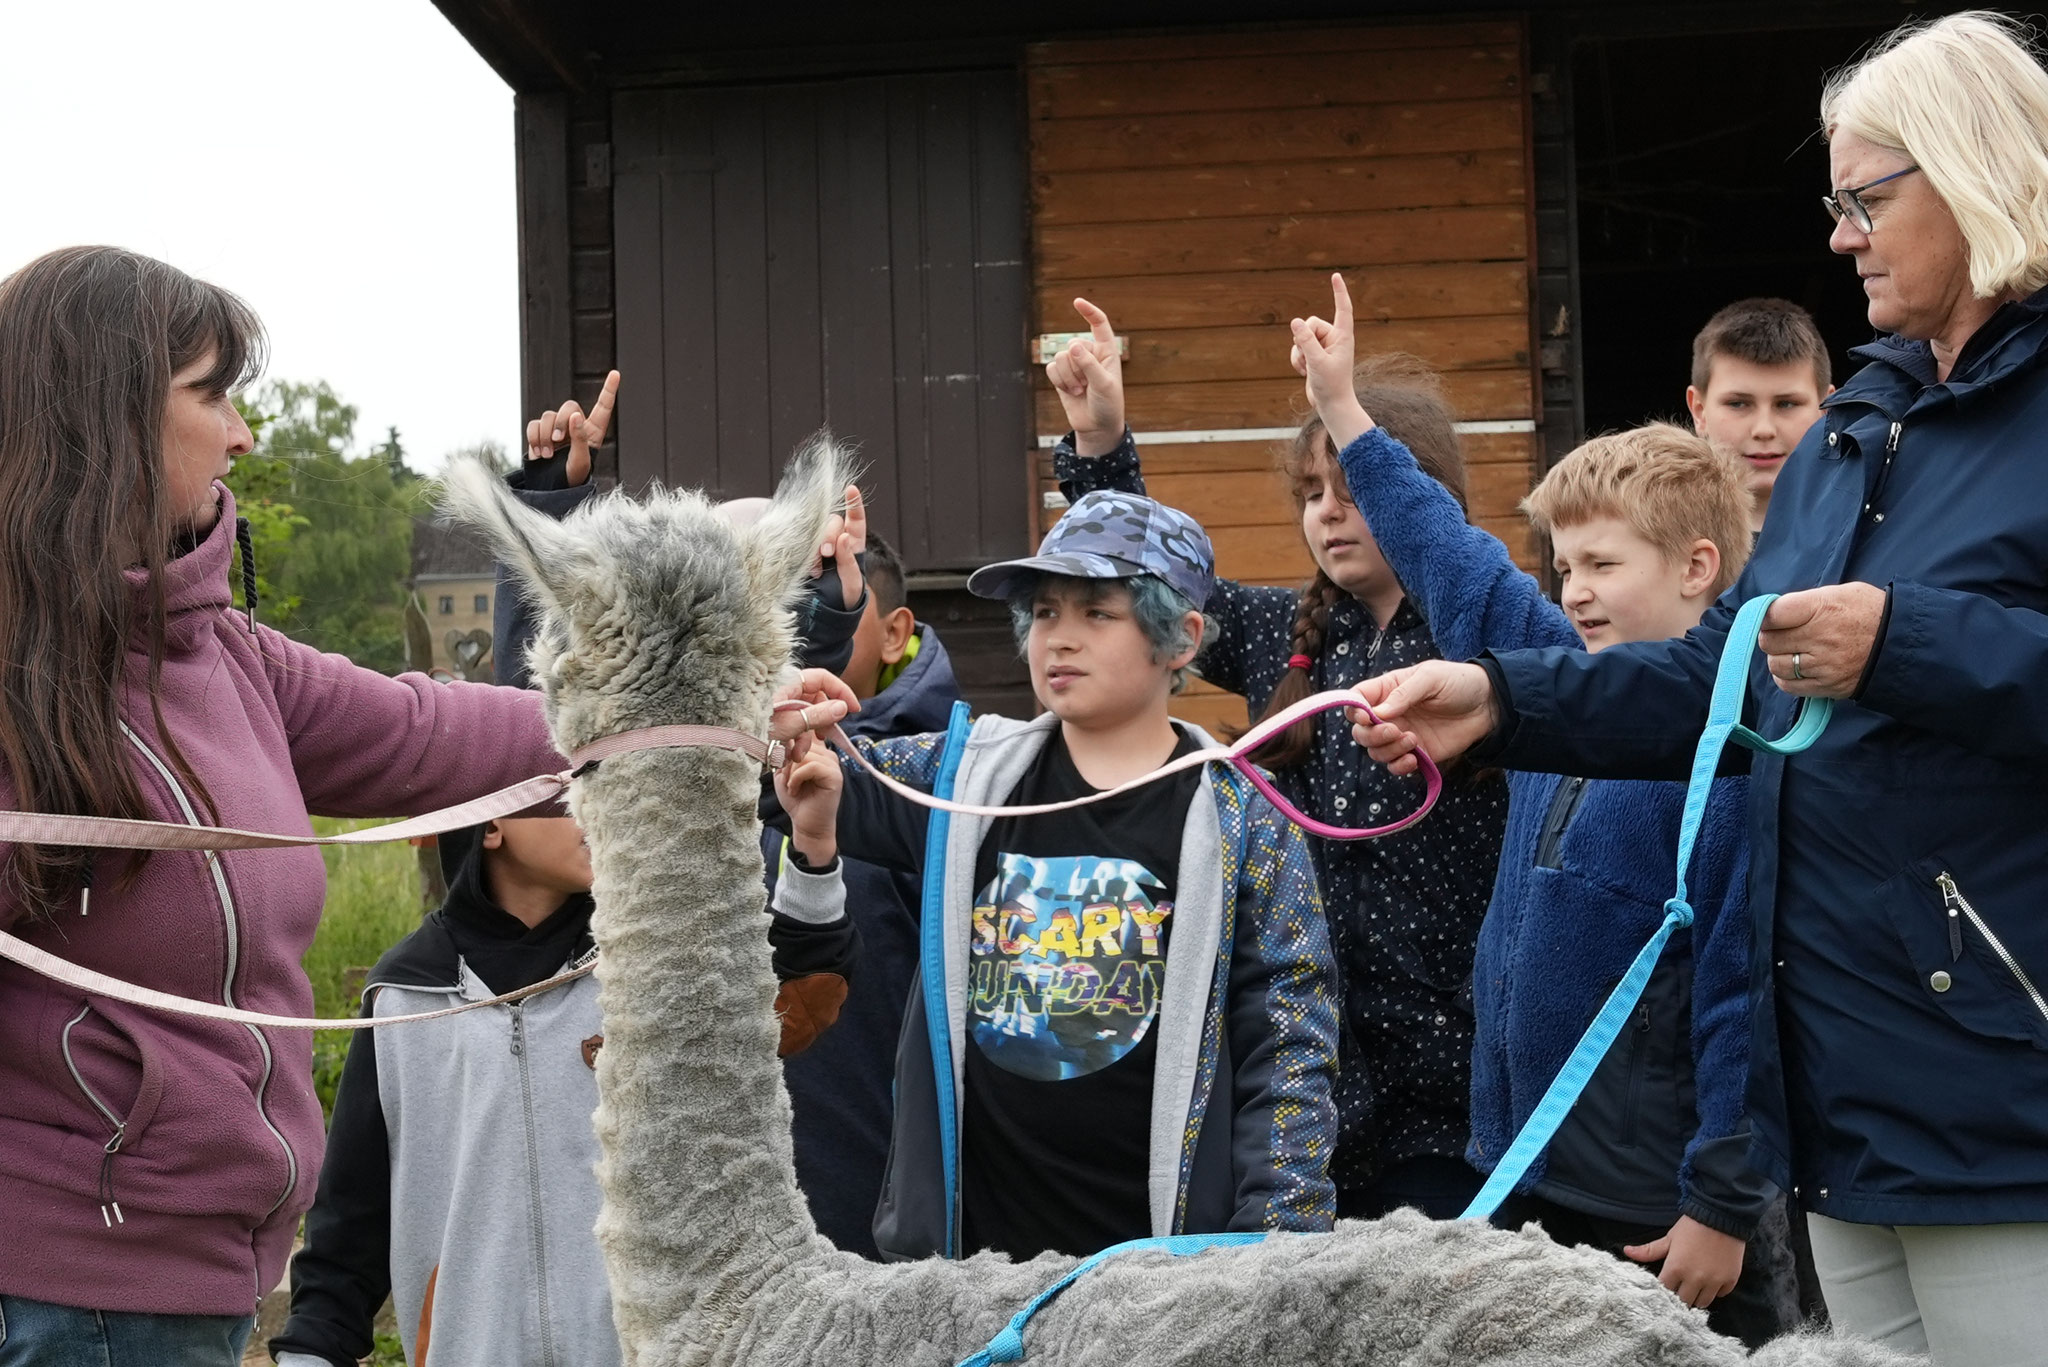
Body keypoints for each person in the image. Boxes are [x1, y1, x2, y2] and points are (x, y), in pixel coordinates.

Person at [1349, 13, 2048, 1363]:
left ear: (1973, 172)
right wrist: (1501, 699)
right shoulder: (1859, 434)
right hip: (1845, 1102)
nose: (1840, 233)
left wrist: (1901, 642)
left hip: (2003, 1096)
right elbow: (1715, 680)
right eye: (1834, 202)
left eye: (1864, 196)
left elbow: (1906, 660)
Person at [0, 246, 577, 1362]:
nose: (242, 431)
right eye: (211, 393)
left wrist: (705, 706)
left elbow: (435, 730)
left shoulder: (226, 655)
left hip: (197, 1283)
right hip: (62, 1292)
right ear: (102, 415)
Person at [1291, 281, 1780, 1336]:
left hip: (1657, 1211)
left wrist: (1721, 1201)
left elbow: (1742, 994)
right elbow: (1447, 554)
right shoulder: (1549, 675)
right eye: (1563, 568)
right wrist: (1343, 413)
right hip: (1521, 1171)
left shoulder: (1729, 754)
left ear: (1700, 569)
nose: (1574, 592)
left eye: (1602, 564)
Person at [770, 492, 1340, 1261]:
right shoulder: (958, 777)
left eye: (1097, 612)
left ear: (1181, 637)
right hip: (975, 1275)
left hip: (1165, 1282)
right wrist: (811, 653)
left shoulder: (1247, 822)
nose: (1059, 638)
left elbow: (1290, 1044)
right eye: (1044, 612)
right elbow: (777, 767)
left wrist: (1277, 1254)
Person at [1047, 301, 1509, 1220]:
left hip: (1457, 1082)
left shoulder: (1486, 634)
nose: (1328, 514)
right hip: (1309, 1077)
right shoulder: (1272, 630)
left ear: (1422, 496)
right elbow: (1153, 588)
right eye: (1309, 494)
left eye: (1352, 489)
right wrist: (1102, 445)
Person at [269, 807, 857, 1367]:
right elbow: (352, 1214)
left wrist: (813, 844)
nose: (597, 807)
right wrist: (311, 1349)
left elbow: (801, 997)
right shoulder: (402, 999)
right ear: (493, 822)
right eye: (564, 791)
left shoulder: (651, 963)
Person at [763, 531, 965, 1257]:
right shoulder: (756, 768)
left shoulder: (950, 791)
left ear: (895, 631)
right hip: (767, 1199)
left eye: (833, 601)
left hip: (900, 1213)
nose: (802, 624)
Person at [1683, 299, 1834, 532]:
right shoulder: (1648, 542)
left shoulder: (1869, 534)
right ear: (1699, 412)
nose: (1764, 430)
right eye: (1738, 404)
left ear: (1825, 410)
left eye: (1786, 404)